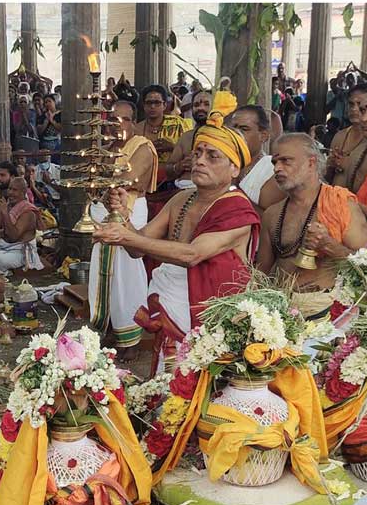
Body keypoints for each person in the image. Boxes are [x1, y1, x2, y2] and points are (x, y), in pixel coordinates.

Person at [94, 112, 260, 376]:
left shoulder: (238, 209)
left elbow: (191, 255)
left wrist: (125, 235)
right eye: (197, 154)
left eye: (212, 156)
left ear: (234, 168)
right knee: (168, 394)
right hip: (171, 311)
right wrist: (123, 216)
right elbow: (138, 248)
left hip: (211, 323)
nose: (199, 161)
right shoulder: (181, 199)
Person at [256, 134, 367, 316]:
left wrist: (329, 246)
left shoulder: (340, 203)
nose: (277, 168)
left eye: (286, 161)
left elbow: (365, 267)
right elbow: (261, 274)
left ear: (311, 163)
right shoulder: (272, 214)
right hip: (281, 314)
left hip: (329, 314)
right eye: (274, 162)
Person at [88, 99, 158, 362]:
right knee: (103, 272)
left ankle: (132, 334)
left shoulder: (142, 146)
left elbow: (127, 181)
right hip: (103, 213)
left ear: (134, 122)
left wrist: (104, 180)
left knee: (127, 273)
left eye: (124, 119)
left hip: (128, 211)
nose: (117, 125)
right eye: (112, 120)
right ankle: (109, 326)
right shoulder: (103, 149)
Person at [0, 177, 44, 271]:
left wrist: (5, 214)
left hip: (19, 253)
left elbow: (13, 236)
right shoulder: (7, 206)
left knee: (1, 261)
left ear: (23, 192)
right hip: (2, 249)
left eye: (15, 190)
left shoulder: (28, 212)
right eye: (10, 189)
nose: (10, 193)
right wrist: (5, 230)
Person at [229, 105, 285, 210]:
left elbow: (267, 221)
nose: (235, 134)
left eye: (243, 129)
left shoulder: (272, 170)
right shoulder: (221, 162)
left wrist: (231, 188)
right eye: (233, 129)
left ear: (263, 136)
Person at [136, 84, 191, 183]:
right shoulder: (136, 129)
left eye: (157, 103)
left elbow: (190, 154)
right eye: (149, 103)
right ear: (144, 106)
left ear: (164, 105)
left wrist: (173, 147)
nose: (152, 106)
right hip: (143, 179)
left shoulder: (179, 124)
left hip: (174, 180)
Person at [165, 90, 212, 189]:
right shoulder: (186, 137)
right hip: (182, 190)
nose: (201, 108)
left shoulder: (225, 136)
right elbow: (168, 170)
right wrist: (179, 166)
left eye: (206, 104)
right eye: (196, 105)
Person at [328, 84, 367, 194]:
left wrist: (349, 165)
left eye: (360, 106)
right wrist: (330, 165)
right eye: (351, 104)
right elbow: (328, 178)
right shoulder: (340, 136)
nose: (354, 109)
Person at [37, 94, 62, 161]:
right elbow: (39, 131)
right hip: (45, 142)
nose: (47, 103)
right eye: (45, 102)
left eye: (49, 101)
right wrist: (46, 121)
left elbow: (61, 128)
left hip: (57, 141)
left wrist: (52, 120)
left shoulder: (60, 114)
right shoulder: (42, 115)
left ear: (54, 102)